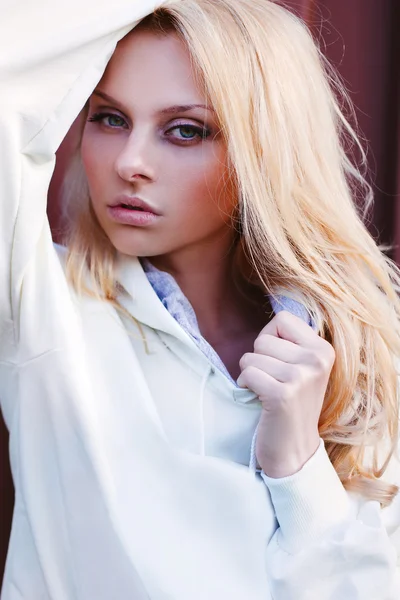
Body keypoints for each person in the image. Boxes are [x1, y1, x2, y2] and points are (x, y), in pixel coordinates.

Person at [1, 0, 399, 598]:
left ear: (266, 151)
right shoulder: (41, 303)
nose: (130, 163)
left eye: (185, 129)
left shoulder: (361, 354)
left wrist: (298, 462)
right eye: (109, 119)